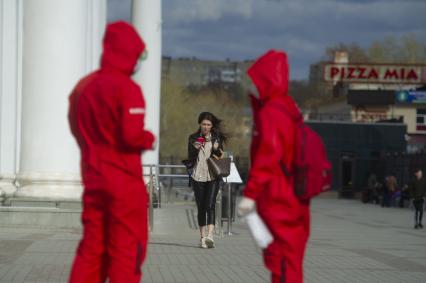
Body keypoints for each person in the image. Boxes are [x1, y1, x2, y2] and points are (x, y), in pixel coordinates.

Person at [68, 21, 155, 283]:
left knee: (92, 248)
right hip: (123, 182)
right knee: (126, 250)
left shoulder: (84, 87)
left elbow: (75, 123)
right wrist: (147, 138)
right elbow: (131, 135)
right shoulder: (127, 89)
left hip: (94, 177)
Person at [238, 50, 310, 283]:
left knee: (280, 261)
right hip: (294, 197)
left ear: (267, 79)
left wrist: (250, 195)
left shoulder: (272, 112)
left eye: (258, 81)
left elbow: (267, 157)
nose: (256, 86)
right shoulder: (289, 108)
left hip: (278, 198)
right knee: (290, 260)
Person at [186, 112, 226, 249]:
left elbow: (220, 156)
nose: (206, 127)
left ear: (212, 126)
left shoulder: (216, 138)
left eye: (208, 125)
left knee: (210, 205)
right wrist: (195, 148)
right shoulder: (193, 138)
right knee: (201, 207)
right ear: (199, 124)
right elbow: (190, 157)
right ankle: (202, 238)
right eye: (204, 124)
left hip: (213, 176)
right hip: (198, 176)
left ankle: (210, 236)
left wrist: (215, 149)